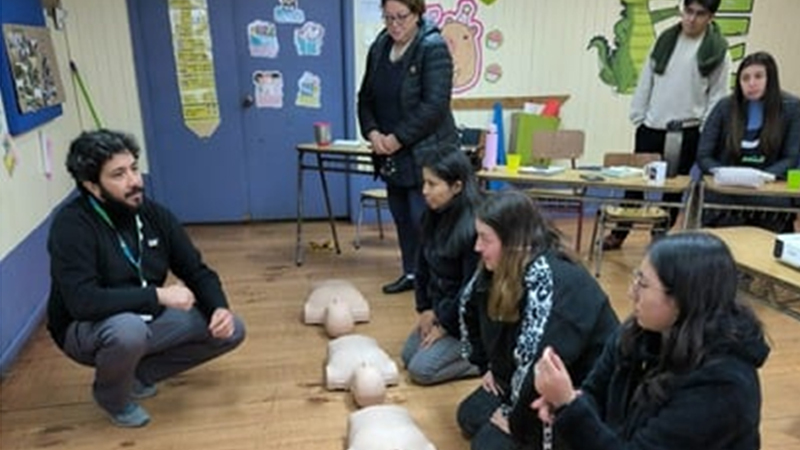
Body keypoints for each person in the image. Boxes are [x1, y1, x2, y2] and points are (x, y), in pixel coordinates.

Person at [47, 130, 246, 428]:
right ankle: (112, 398)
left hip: (145, 316)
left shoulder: (153, 214)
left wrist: (219, 307)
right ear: (92, 186)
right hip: (85, 327)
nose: (134, 181)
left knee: (230, 330)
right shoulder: (71, 226)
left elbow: (195, 270)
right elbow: (83, 302)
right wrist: (158, 295)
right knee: (128, 331)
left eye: (134, 168)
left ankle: (138, 374)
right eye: (119, 174)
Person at [532, 232, 770, 450]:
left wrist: (569, 407)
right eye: (636, 278)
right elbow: (594, 392)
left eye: (643, 284)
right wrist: (567, 401)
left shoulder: (722, 385)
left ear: (683, 299)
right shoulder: (638, 333)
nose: (632, 293)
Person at [456, 191, 619, 450]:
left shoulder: (554, 282)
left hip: (575, 391)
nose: (477, 247)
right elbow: (468, 308)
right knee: (469, 415)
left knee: (487, 445)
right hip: (526, 377)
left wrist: (514, 418)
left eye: (485, 239)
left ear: (513, 241)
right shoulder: (499, 265)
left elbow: (541, 362)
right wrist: (487, 366)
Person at [603, 0, 731, 250]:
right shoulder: (665, 40)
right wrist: (639, 116)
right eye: (688, 11)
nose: (691, 19)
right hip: (652, 125)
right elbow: (646, 78)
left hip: (687, 129)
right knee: (636, 183)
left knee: (672, 189)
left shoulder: (718, 51)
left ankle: (659, 236)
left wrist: (704, 129)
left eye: (700, 14)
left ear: (711, 17)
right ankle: (619, 232)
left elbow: (717, 96)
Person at [357, 0, 459, 294]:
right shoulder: (380, 47)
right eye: (388, 17)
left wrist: (396, 138)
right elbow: (365, 98)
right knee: (402, 216)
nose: (394, 24)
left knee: (424, 220)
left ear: (417, 13)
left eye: (401, 17)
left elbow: (434, 107)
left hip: (426, 153)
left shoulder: (432, 47)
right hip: (391, 154)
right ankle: (412, 274)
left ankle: (439, 281)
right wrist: (373, 133)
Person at [401, 149, 481, 385]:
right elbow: (421, 267)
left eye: (432, 184)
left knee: (421, 371)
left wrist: (445, 325)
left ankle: (485, 358)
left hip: (469, 320)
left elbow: (471, 290)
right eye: (424, 182)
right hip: (443, 309)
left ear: (456, 186)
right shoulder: (432, 216)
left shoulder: (474, 228)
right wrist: (425, 309)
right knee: (408, 355)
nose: (424, 191)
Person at [697, 51, 800, 232]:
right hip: (727, 188)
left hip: (770, 189)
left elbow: (791, 158)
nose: (751, 83)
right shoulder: (724, 107)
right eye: (745, 78)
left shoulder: (792, 108)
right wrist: (723, 174)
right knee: (715, 201)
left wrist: (762, 177)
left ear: (771, 79)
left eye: (758, 76)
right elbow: (704, 155)